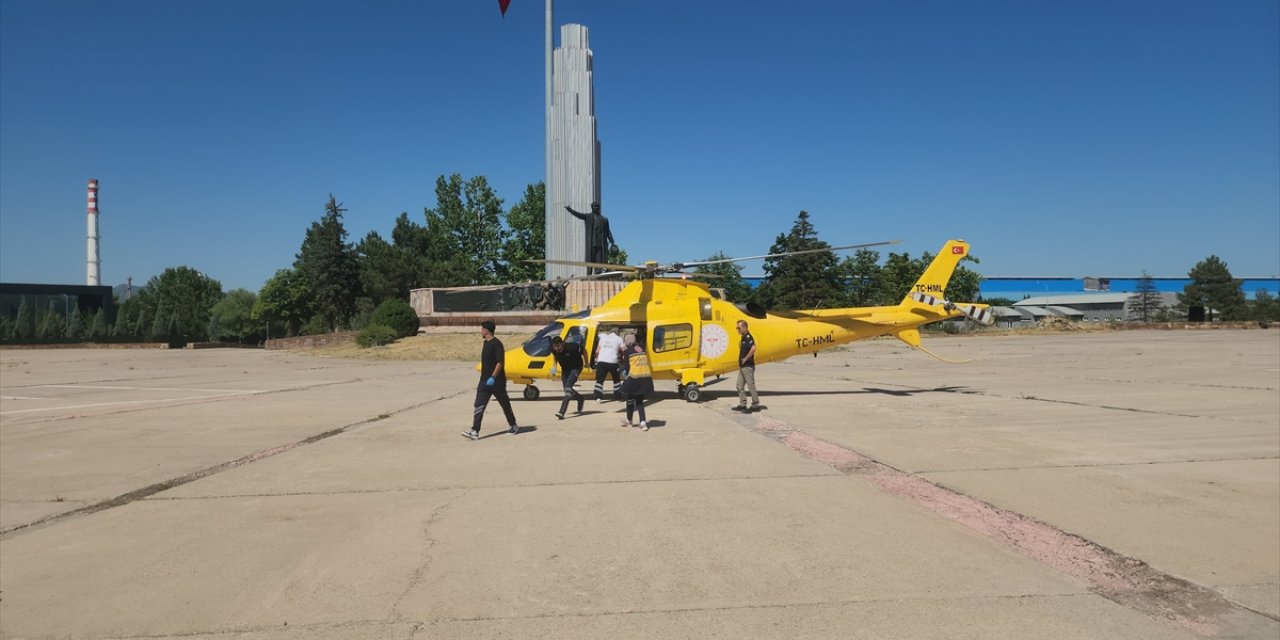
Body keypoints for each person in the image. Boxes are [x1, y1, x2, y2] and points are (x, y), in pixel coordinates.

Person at [462, 320, 519, 440]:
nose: (481, 331)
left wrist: (493, 377)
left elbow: (500, 362)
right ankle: (475, 431)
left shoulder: (497, 344)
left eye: (482, 329)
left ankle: (513, 425)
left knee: (504, 404)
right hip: (484, 381)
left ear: (486, 330)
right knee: (479, 404)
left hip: (497, 381)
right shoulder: (486, 343)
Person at [618, 332, 654, 431]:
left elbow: (626, 367)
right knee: (639, 401)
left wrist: (623, 353)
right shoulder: (642, 349)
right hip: (646, 376)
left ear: (626, 342)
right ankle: (643, 422)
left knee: (629, 400)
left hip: (635, 377)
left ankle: (629, 421)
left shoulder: (627, 351)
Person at [565, 202, 617, 270]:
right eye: (594, 207)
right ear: (592, 208)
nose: (596, 208)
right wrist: (571, 210)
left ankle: (598, 272)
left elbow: (608, 231)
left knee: (599, 262)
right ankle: (589, 274)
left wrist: (612, 241)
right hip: (592, 243)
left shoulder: (604, 219)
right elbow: (579, 215)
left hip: (600, 244)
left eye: (597, 206)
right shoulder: (588, 217)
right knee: (590, 260)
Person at [550, 335, 586, 419]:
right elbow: (555, 357)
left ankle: (561, 412)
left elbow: (584, 351)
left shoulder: (572, 347)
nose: (557, 348)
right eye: (555, 346)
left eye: (558, 346)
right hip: (565, 370)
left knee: (568, 389)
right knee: (567, 389)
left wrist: (586, 363)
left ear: (562, 343)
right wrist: (554, 367)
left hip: (576, 368)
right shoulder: (554, 350)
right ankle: (580, 398)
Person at [733, 319, 761, 413]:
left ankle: (755, 404)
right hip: (742, 367)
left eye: (739, 328)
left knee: (750, 385)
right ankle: (743, 404)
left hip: (748, 366)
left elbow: (753, 348)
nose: (738, 329)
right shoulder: (743, 337)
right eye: (737, 328)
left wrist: (745, 358)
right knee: (739, 385)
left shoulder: (749, 337)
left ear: (745, 327)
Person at [592, 325, 625, 401]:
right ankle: (617, 396)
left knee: (600, 380)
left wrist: (597, 359)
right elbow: (624, 350)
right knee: (616, 379)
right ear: (618, 332)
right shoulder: (619, 339)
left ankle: (598, 397)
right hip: (613, 362)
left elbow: (597, 351)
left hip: (601, 362)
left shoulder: (603, 337)